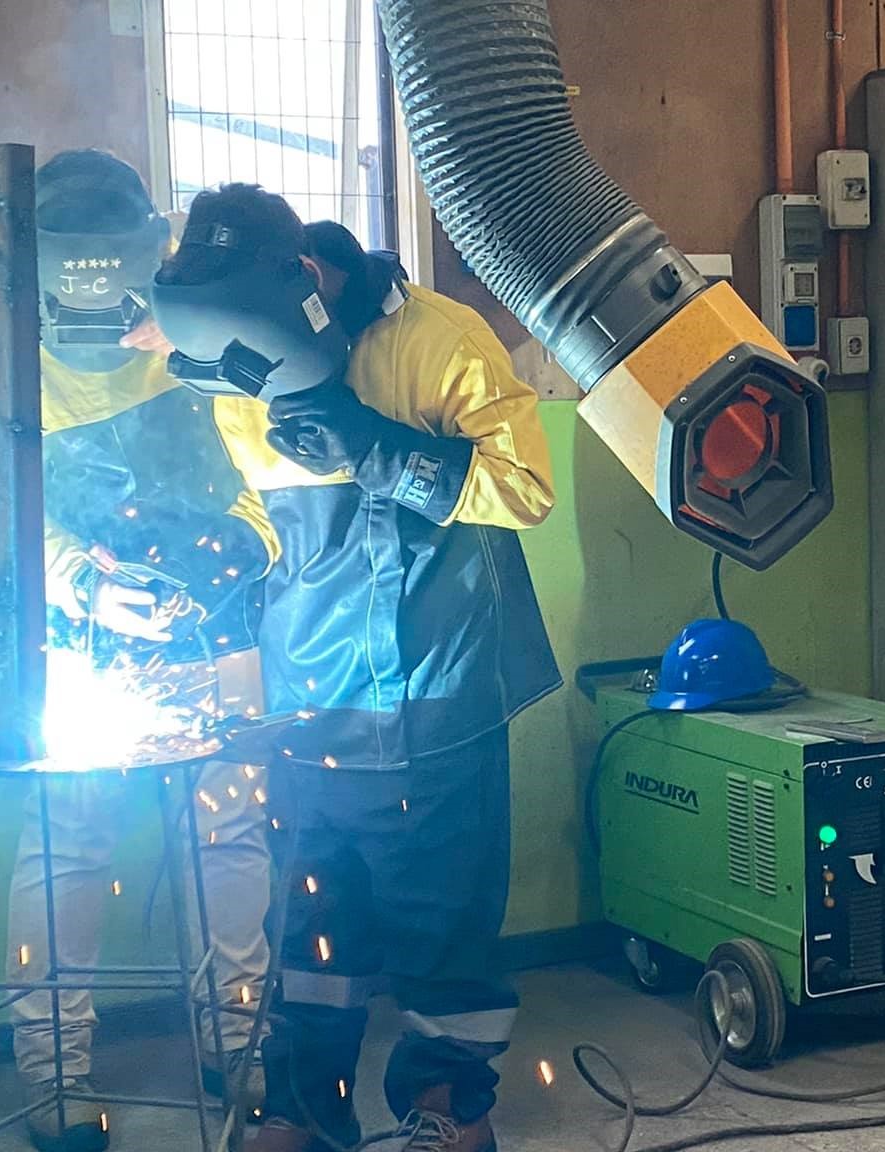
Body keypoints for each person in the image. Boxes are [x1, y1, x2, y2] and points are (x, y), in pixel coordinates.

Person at [140, 184, 558, 1152]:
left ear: (305, 288)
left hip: (436, 687)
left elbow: (526, 488)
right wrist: (210, 563)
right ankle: (300, 1106)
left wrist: (378, 449)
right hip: (311, 696)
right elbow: (265, 520)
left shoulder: (437, 340)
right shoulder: (228, 357)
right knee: (313, 920)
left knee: (438, 922)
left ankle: (450, 1109)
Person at [0, 150, 275, 1152]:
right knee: (69, 843)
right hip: (70, 625)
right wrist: (82, 580)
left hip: (213, 611)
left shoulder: (195, 313)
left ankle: (239, 1045)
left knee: (231, 830)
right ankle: (55, 1080)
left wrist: (240, 552)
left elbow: (263, 456)